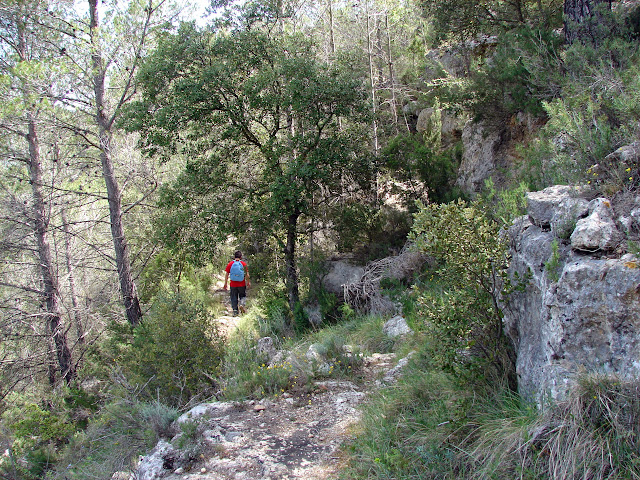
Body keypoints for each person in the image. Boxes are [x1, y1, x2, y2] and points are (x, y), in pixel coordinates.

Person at [223, 250, 251, 316]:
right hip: (241, 283)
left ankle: (235, 311)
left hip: (233, 284)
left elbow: (226, 274)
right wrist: (248, 282)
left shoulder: (230, 264)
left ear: (234, 256)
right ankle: (242, 304)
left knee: (233, 297)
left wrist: (225, 284)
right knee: (242, 295)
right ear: (241, 257)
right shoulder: (243, 264)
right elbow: (247, 275)